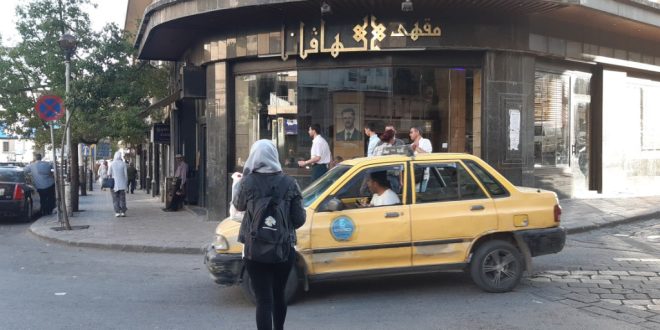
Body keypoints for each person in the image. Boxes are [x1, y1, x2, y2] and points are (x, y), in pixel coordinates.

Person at [233, 140, 306, 330]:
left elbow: (238, 205)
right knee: (279, 295)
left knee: (263, 300)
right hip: (283, 249)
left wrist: (240, 180)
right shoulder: (290, 183)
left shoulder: (247, 182)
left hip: (255, 250)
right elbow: (299, 220)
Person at [107, 151, 128, 217]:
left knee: (115, 199)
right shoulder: (123, 164)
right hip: (122, 184)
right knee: (122, 198)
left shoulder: (112, 164)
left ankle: (117, 212)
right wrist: (126, 184)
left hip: (114, 185)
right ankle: (123, 212)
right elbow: (126, 175)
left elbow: (108, 173)